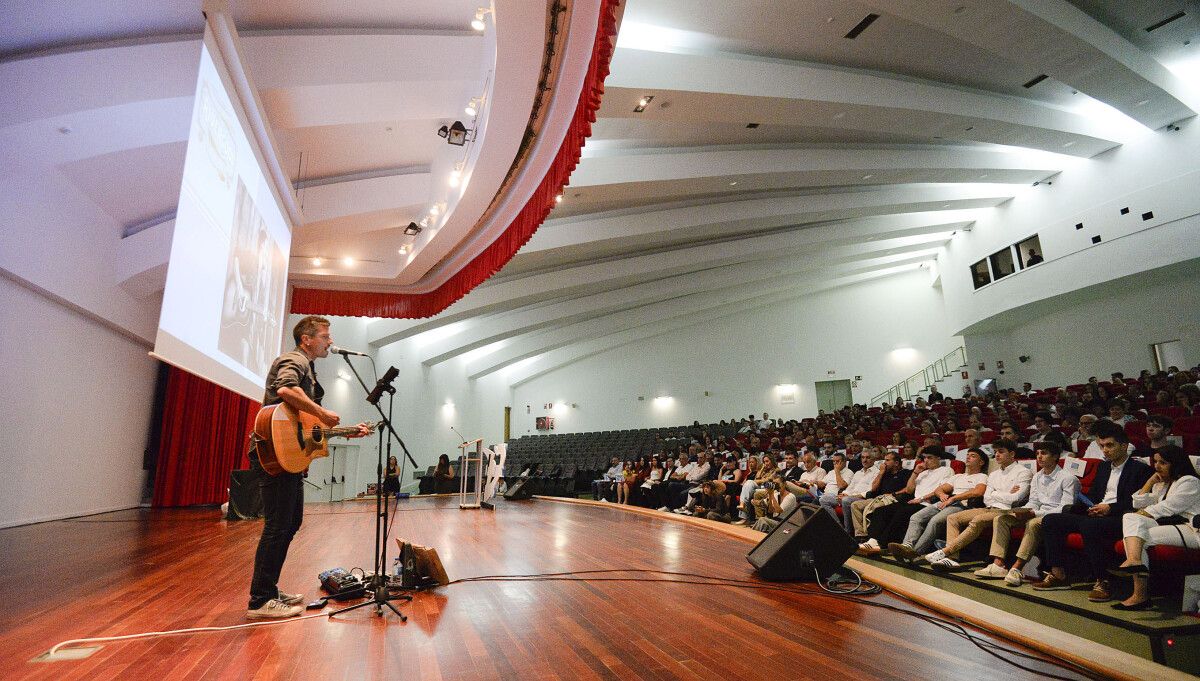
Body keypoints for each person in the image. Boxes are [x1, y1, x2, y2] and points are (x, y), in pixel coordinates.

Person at [246, 315, 371, 620]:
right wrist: (322, 412)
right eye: (325, 336)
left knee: (290, 524)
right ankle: (259, 600)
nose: (330, 341)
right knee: (278, 526)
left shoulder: (309, 368)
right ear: (307, 339)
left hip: (289, 457)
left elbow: (308, 429)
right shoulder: (294, 360)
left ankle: (270, 589)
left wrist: (345, 430)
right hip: (274, 453)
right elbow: (287, 390)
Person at [1033, 421, 1153, 602]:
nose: (1105, 450)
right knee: (1051, 520)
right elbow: (1095, 495)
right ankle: (1058, 575)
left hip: (1123, 517)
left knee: (1089, 526)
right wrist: (1089, 506)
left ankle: (1103, 580)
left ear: (1124, 446)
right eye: (1102, 446)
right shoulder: (1103, 467)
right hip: (1098, 513)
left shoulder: (1140, 469)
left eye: (1110, 445)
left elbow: (1137, 502)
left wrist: (1109, 508)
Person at [1108, 446, 1200, 609]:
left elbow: (1167, 508)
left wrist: (1140, 514)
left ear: (1175, 463)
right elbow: (1138, 503)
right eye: (1155, 461)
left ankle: (1139, 594)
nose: (1157, 466)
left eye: (1162, 462)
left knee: (1137, 535)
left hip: (1191, 529)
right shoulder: (1161, 483)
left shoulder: (1190, 481)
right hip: (1169, 524)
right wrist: (1149, 482)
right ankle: (1135, 565)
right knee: (1132, 524)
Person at [977, 441, 1079, 585]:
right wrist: (1023, 510)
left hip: (1054, 517)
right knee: (1001, 519)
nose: (1039, 457)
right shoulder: (1037, 476)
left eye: (1044, 453)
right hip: (1036, 512)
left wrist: (1034, 513)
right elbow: (1033, 501)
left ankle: (1016, 568)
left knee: (1032, 523)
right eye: (1037, 453)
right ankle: (998, 564)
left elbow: (1065, 508)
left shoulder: (1068, 478)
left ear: (1055, 456)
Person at [923, 439, 1033, 569]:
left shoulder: (1023, 472)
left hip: (1007, 511)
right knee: (953, 518)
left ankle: (946, 552)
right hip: (989, 507)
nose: (997, 454)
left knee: (978, 519)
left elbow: (1015, 498)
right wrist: (1003, 494)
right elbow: (987, 498)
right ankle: (952, 558)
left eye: (1001, 452)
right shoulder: (994, 474)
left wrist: (996, 493)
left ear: (1012, 454)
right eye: (996, 452)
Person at [889, 448, 988, 560]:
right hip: (947, 501)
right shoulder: (958, 476)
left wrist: (954, 497)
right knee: (916, 517)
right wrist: (941, 495)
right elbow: (939, 489)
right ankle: (907, 545)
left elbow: (978, 491)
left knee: (935, 521)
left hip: (962, 504)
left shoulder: (982, 476)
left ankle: (915, 552)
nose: (968, 457)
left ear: (981, 462)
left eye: (973, 455)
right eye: (968, 455)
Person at [857, 446, 954, 556]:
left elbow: (940, 490)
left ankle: (883, 545)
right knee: (881, 510)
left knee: (902, 512)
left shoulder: (946, 470)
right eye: (924, 458)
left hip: (928, 503)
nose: (926, 461)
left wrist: (920, 499)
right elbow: (909, 490)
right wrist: (915, 473)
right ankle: (872, 540)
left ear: (938, 458)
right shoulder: (922, 473)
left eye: (929, 458)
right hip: (914, 501)